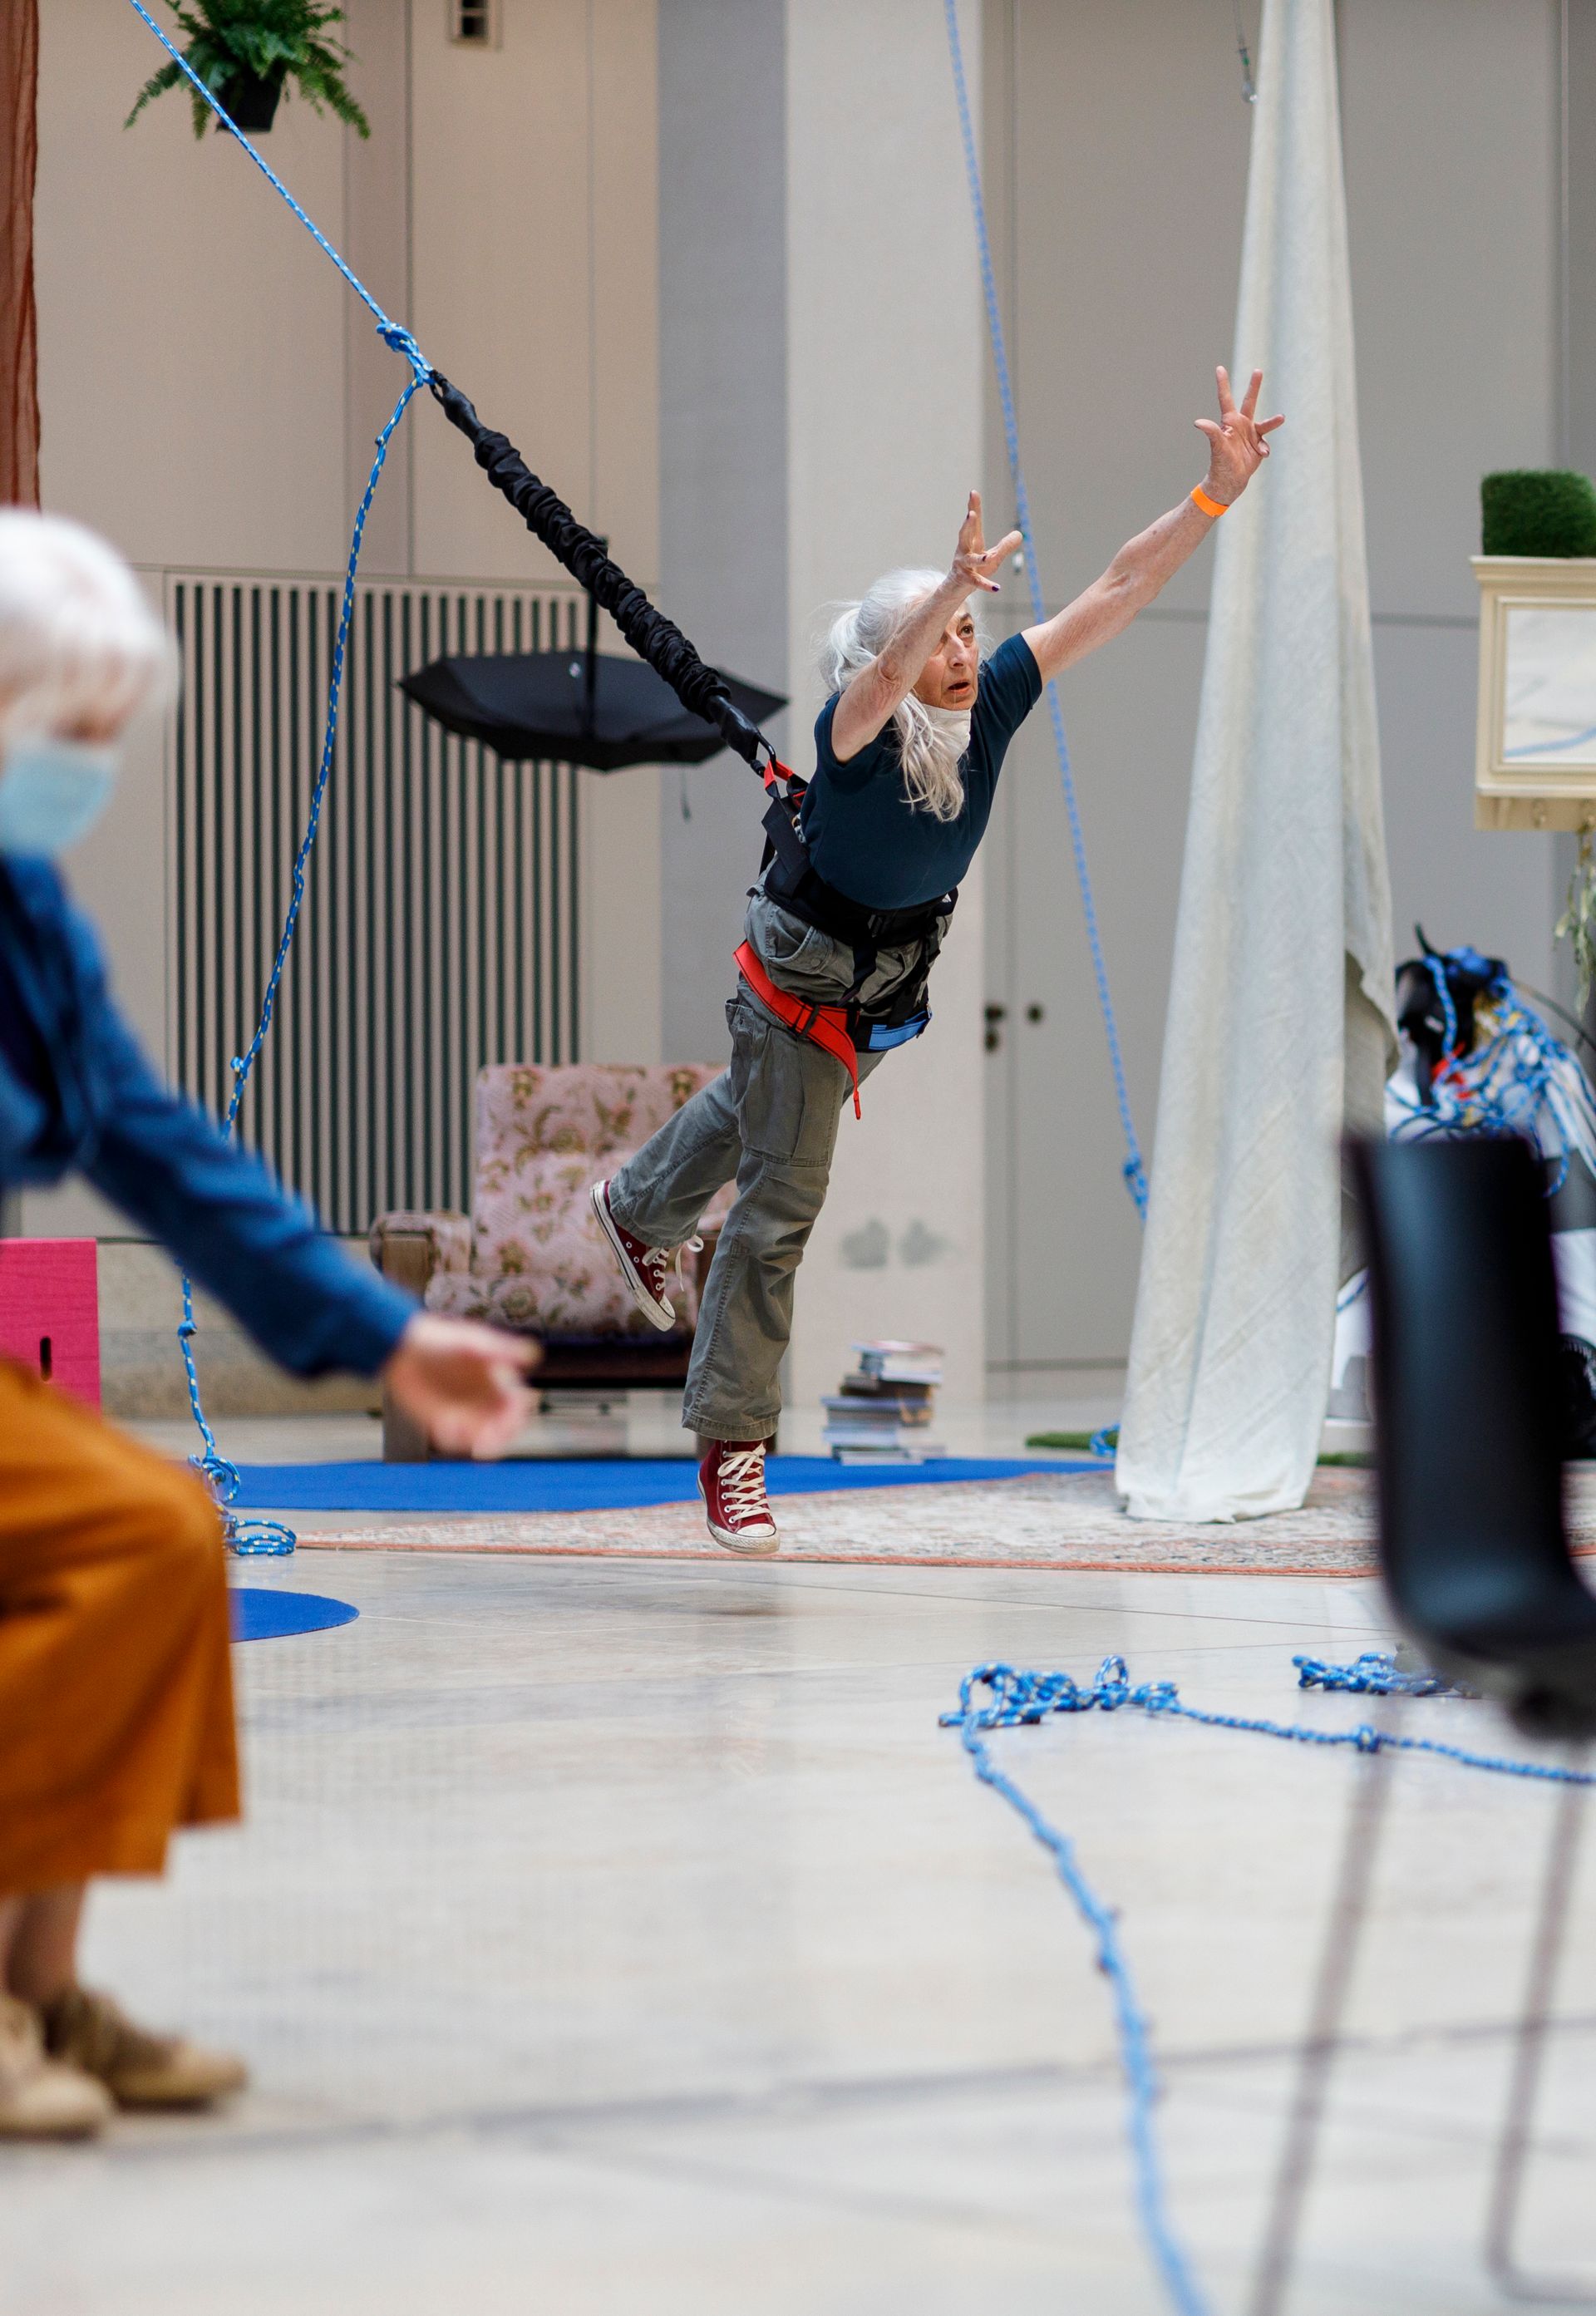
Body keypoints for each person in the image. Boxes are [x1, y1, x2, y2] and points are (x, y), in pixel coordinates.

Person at [0, 509, 537, 2139]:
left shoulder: (28, 911)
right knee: (114, 1534)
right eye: (70, 734)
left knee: (158, 1535)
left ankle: (40, 1990)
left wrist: (384, 1332)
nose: (87, 770)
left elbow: (154, 1141)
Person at [591, 366, 1284, 1552]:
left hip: (880, 992)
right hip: (801, 978)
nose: (963, 652)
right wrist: (946, 588)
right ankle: (733, 1443)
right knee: (780, 1203)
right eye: (944, 637)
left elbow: (1118, 589)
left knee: (766, 1110)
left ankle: (635, 1203)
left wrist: (1210, 498)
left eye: (971, 629)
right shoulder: (856, 735)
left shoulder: (992, 707)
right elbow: (876, 685)